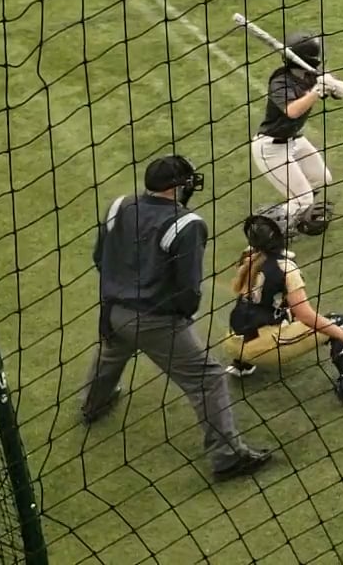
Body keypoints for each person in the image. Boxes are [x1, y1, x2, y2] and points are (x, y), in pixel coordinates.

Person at [78, 155, 275, 481]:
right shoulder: (188, 224)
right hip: (155, 320)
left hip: (112, 311)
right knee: (208, 379)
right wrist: (180, 316)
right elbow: (188, 287)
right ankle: (227, 458)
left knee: (112, 351)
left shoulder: (118, 206)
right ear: (176, 187)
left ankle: (92, 405)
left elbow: (100, 257)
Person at [223, 214, 343, 411]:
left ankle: (242, 364)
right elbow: (305, 315)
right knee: (341, 323)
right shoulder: (286, 268)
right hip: (263, 348)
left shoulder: (248, 257)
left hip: (233, 340)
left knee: (270, 309)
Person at [249, 32, 343, 235]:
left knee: (321, 178)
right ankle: (268, 229)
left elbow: (342, 92)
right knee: (304, 199)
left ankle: (296, 213)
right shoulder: (280, 82)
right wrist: (317, 91)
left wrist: (337, 87)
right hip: (271, 148)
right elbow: (292, 111)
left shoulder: (311, 74)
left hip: (296, 141)